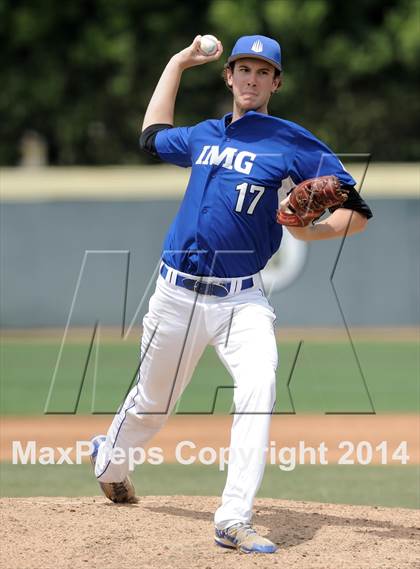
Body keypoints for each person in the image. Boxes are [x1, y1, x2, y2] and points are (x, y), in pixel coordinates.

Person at [90, 34, 372, 554]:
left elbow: (356, 210)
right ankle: (110, 460)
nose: (251, 78)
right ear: (229, 77)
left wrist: (314, 232)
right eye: (243, 69)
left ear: (276, 83)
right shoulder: (203, 135)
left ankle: (233, 517)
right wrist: (178, 60)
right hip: (175, 295)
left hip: (240, 300)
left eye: (262, 72)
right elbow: (151, 135)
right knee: (154, 403)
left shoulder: (292, 141)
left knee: (259, 386)